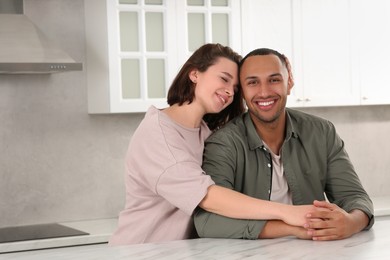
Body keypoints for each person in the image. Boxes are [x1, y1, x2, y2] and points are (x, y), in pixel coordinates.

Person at [109, 44, 321, 245]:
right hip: (140, 249)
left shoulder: (205, 132)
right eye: (224, 79)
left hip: (179, 251)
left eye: (235, 87)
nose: (230, 91)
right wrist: (287, 213)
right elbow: (208, 197)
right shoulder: (157, 134)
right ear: (194, 74)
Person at [194, 48, 375, 241]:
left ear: (289, 83)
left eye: (274, 80)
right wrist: (292, 228)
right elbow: (207, 222)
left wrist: (351, 222)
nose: (264, 92)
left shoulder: (322, 132)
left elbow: (355, 197)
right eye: (253, 82)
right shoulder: (223, 144)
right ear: (243, 92)